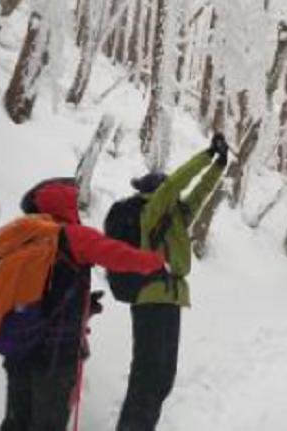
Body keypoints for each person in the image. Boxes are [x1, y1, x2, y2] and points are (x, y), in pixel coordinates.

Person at [0, 177, 167, 431]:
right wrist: (155, 263)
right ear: (64, 203)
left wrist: (83, 305)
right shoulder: (71, 236)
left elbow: (37, 293)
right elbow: (118, 255)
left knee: (16, 422)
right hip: (55, 357)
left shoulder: (19, 236)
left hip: (18, 349)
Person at [116, 133, 228, 431]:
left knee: (163, 377)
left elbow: (200, 193)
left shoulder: (177, 216)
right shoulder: (151, 212)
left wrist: (219, 167)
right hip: (152, 298)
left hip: (171, 300)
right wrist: (207, 155)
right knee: (147, 376)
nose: (176, 198)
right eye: (169, 192)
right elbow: (179, 181)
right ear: (159, 193)